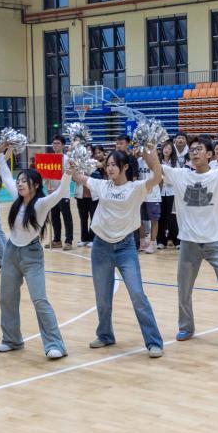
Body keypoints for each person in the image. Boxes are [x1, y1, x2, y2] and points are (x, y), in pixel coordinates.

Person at [72, 147, 165, 357]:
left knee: (137, 295)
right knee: (102, 298)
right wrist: (74, 158)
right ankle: (105, 335)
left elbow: (157, 177)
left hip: (125, 248)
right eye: (108, 164)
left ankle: (154, 342)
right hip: (100, 247)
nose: (110, 168)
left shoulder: (136, 188)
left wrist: (152, 157)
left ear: (125, 167)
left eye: (114, 164)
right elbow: (78, 177)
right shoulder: (102, 185)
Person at [162, 135, 218, 350]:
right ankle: (186, 326)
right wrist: (148, 147)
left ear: (209, 154)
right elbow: (156, 167)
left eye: (199, 149)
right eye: (192, 149)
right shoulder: (181, 175)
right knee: (184, 289)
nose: (194, 152)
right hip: (188, 244)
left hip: (215, 244)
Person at [0, 155, 70, 359]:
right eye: (19, 180)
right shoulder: (17, 199)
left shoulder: (41, 204)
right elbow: (6, 177)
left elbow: (60, 193)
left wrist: (68, 174)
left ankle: (55, 344)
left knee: (39, 299)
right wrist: (1, 155)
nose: (19, 184)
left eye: (24, 181)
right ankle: (11, 340)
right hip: (11, 252)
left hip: (32, 255)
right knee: (7, 298)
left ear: (35, 185)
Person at [47, 135, 74, 251]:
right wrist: (48, 186)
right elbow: (47, 174)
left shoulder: (67, 159)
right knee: (55, 217)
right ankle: (57, 240)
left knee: (67, 218)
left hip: (63, 193)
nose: (55, 145)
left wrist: (59, 189)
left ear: (63, 145)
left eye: (58, 143)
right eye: (54, 143)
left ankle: (68, 241)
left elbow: (68, 175)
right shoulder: (49, 159)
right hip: (52, 193)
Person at [156, 141, 181, 249]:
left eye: (169, 149)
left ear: (172, 151)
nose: (167, 150)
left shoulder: (175, 163)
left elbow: (177, 178)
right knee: (161, 217)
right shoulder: (157, 162)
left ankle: (176, 241)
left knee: (172, 217)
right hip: (160, 192)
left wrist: (166, 179)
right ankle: (161, 241)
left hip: (172, 192)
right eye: (165, 148)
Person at [137, 151, 162, 254]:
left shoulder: (154, 161)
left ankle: (152, 243)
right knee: (139, 219)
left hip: (153, 195)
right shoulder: (138, 161)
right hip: (140, 194)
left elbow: (160, 178)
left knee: (154, 220)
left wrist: (157, 190)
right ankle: (142, 242)